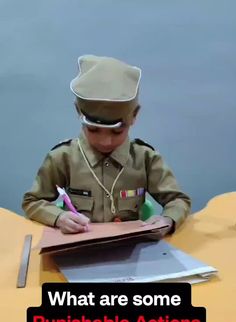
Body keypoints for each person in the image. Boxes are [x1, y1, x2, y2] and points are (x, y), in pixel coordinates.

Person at [22, 55, 191, 236]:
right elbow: (32, 201)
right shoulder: (63, 158)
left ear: (134, 115)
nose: (105, 141)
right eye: (93, 130)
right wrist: (58, 217)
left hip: (131, 252)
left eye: (117, 132)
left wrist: (167, 220)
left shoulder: (145, 158)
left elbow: (178, 200)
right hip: (80, 251)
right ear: (78, 111)